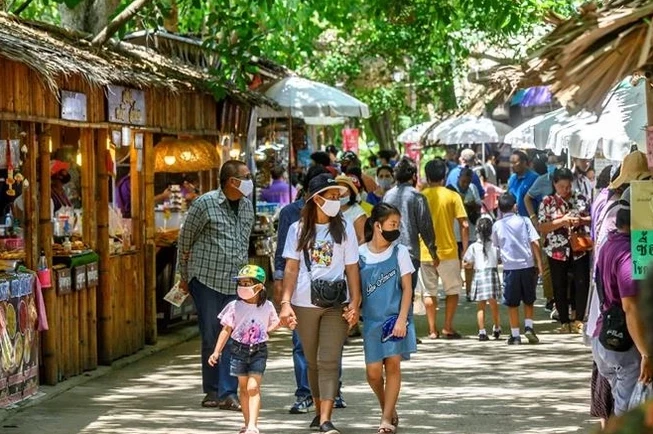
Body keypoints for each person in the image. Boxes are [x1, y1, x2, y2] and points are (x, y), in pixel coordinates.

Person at [279, 173, 361, 434]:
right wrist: (285, 302)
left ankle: (326, 417)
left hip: (336, 302)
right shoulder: (298, 229)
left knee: (329, 359)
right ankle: (317, 410)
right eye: (332, 196)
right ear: (316, 199)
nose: (337, 200)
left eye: (339, 196)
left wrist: (355, 302)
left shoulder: (345, 227)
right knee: (312, 362)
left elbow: (352, 268)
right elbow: (290, 268)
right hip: (304, 302)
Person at [177, 160, 255, 410]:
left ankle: (227, 392)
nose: (250, 180)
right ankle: (212, 390)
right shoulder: (205, 204)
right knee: (211, 335)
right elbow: (185, 241)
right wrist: (184, 277)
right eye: (246, 176)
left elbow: (244, 244)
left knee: (232, 336)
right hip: (207, 280)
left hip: (235, 283)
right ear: (232, 181)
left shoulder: (246, 206)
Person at [359, 203, 416, 434]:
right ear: (377, 225)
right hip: (371, 322)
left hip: (395, 319)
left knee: (393, 366)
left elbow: (407, 289)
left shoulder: (400, 252)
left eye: (398, 225)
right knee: (373, 374)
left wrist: (402, 319)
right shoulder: (360, 254)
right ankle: (388, 408)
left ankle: (385, 420)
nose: (396, 229)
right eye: (393, 224)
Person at [593, 207, 652, 417]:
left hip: (604, 339)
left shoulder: (609, 244)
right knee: (627, 411)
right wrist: (646, 353)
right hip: (623, 345)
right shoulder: (627, 254)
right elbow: (630, 307)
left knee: (623, 403)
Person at [208, 265, 280, 434]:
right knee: (243, 388)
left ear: (259, 286)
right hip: (238, 350)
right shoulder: (234, 306)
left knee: (253, 387)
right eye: (240, 283)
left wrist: (283, 323)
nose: (243, 287)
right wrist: (217, 351)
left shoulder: (268, 306)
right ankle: (247, 423)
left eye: (247, 283)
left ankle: (254, 425)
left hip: (259, 351)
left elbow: (273, 324)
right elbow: (226, 330)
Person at [538, 168, 591, 334]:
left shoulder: (580, 198)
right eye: (561, 187)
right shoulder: (547, 202)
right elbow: (542, 226)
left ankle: (578, 319)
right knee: (559, 285)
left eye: (568, 186)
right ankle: (564, 320)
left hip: (579, 247)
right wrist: (562, 221)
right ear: (555, 184)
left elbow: (592, 217)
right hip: (556, 249)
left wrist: (580, 220)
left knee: (581, 282)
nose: (565, 190)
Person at [419, 159, 467, 339]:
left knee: (429, 292)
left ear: (427, 176)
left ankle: (432, 330)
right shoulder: (453, 196)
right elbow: (464, 224)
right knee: (452, 290)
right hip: (448, 250)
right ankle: (448, 326)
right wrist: (465, 248)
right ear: (444, 175)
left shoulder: (421, 196)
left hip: (425, 251)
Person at [492, 193, 543, 345]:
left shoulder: (497, 225)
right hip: (527, 265)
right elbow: (535, 242)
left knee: (512, 303)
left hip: (510, 268)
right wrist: (538, 263)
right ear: (515, 206)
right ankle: (529, 326)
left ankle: (515, 335)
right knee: (529, 299)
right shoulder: (525, 221)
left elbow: (496, 246)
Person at [383, 157, 439, 292]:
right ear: (414, 176)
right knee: (408, 295)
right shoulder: (417, 197)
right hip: (410, 255)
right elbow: (425, 227)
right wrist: (433, 252)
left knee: (391, 295)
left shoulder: (387, 196)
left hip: (388, 254)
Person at [463, 217, 501, 342]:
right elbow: (500, 259)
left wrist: (469, 266)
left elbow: (466, 262)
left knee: (481, 306)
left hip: (479, 275)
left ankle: (482, 331)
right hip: (492, 275)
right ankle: (496, 327)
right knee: (494, 304)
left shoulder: (474, 246)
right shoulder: (495, 246)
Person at [451, 168, 482, 301]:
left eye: (467, 182)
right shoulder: (451, 190)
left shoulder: (473, 188)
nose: (465, 184)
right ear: (459, 178)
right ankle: (455, 292)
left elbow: (479, 205)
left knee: (469, 263)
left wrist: (470, 204)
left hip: (469, 232)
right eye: (463, 181)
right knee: (455, 264)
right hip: (454, 232)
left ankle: (470, 292)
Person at [336, 174, 366, 245]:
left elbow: (363, 239)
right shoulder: (330, 210)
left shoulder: (357, 212)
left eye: (345, 189)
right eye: (339, 189)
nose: (341, 193)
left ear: (351, 192)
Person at [507, 150, 539, 217]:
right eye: (511, 163)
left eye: (515, 163)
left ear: (524, 163)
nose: (512, 166)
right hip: (515, 220)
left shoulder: (535, 178)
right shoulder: (512, 179)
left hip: (531, 219)